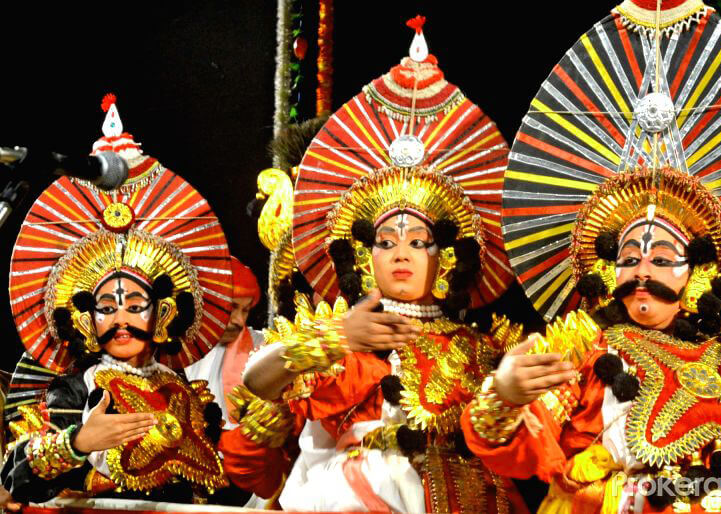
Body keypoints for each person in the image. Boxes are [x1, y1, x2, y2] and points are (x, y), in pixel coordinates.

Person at [223, 17, 541, 513]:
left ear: (447, 256)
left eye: (419, 242)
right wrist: (336, 339)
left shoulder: (479, 349)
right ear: (363, 254)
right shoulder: (341, 336)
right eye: (386, 241)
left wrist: (505, 392)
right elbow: (257, 381)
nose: (401, 252)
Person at [462, 167, 721, 512]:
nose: (642, 271)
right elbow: (524, 446)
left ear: (696, 271)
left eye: (661, 259)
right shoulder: (584, 348)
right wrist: (504, 397)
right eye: (630, 259)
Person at [1, 95, 234, 505]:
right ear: (85, 320)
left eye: (135, 306)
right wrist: (78, 442)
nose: (121, 319)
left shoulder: (180, 390)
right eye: (106, 308)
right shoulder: (74, 390)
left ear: (163, 313)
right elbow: (14, 482)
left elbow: (217, 488)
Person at [185, 256, 264, 429]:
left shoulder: (263, 347)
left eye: (245, 310)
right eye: (232, 307)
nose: (239, 320)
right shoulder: (176, 348)